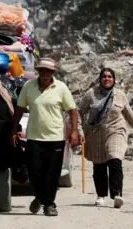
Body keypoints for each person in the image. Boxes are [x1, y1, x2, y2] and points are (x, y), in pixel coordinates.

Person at [12, 57, 79, 217]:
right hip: (34, 136)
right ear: (38, 71)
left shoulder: (61, 88)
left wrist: (74, 131)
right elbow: (20, 109)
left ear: (52, 72)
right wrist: (13, 129)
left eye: (48, 71)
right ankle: (41, 197)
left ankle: (49, 204)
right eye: (42, 70)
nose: (44, 73)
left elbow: (72, 111)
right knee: (35, 171)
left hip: (55, 137)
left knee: (52, 173)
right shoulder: (29, 86)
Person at [78, 68, 133, 208]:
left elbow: (128, 114)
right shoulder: (91, 94)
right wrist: (79, 130)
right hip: (96, 133)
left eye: (109, 76)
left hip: (116, 131)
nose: (107, 79)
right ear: (100, 79)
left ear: (114, 79)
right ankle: (101, 195)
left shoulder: (120, 95)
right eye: (104, 76)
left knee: (115, 159)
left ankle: (117, 194)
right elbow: (79, 112)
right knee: (99, 165)